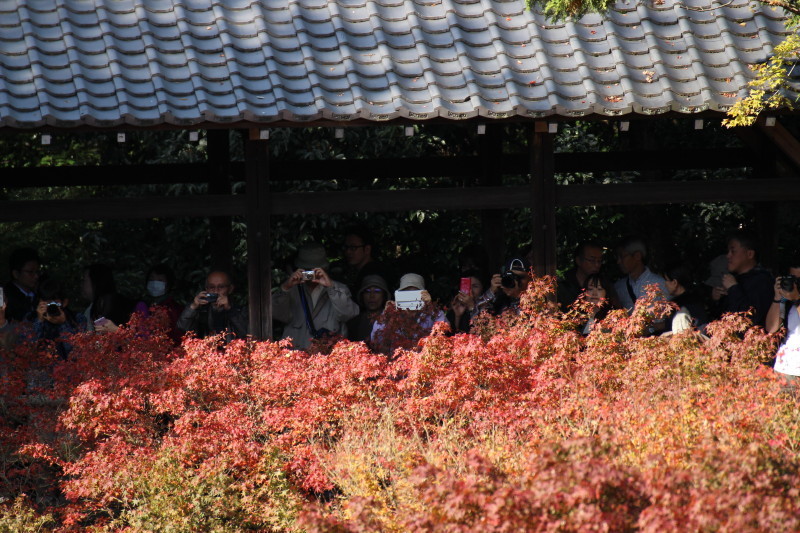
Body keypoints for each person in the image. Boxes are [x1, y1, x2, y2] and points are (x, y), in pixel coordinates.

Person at [273, 243, 359, 350]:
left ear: (324, 269)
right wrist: (286, 288)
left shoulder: (338, 289)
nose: (310, 274)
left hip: (329, 361)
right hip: (295, 360)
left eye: (314, 270)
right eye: (306, 269)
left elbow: (349, 314)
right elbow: (275, 314)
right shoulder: (292, 290)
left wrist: (331, 287)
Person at [370, 273, 447, 354]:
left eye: (415, 293)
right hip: (396, 364)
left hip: (425, 363)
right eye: (406, 293)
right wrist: (386, 316)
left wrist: (431, 307)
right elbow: (376, 341)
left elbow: (444, 333)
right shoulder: (393, 314)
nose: (411, 298)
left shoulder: (431, 314)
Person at [710, 232, 774, 328]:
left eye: (733, 251)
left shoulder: (762, 281)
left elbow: (752, 317)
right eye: (728, 251)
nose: (728, 256)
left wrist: (733, 288)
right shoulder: (734, 280)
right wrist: (717, 300)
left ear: (749, 254)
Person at [177, 270, 248, 341]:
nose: (216, 291)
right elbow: (182, 327)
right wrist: (193, 306)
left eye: (221, 287)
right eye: (211, 287)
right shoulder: (201, 310)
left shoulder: (240, 310)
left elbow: (245, 332)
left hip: (233, 351)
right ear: (206, 289)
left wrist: (230, 309)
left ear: (230, 289)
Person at [28, 279, 88, 359]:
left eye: (55, 303)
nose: (51, 306)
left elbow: (77, 353)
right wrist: (39, 321)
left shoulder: (77, 318)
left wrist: (63, 324)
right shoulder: (31, 318)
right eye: (48, 303)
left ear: (65, 302)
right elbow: (28, 350)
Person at [613, 236, 669, 313]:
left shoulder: (660, 283)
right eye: (617, 257)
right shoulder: (619, 287)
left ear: (637, 256)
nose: (618, 262)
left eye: (622, 257)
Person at [766, 262, 800, 386]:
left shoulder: (795, 300)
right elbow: (771, 328)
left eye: (798, 280)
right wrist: (778, 297)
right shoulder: (789, 301)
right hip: (784, 371)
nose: (795, 284)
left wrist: (797, 299)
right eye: (792, 279)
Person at [133, 264, 183, 342]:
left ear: (168, 284)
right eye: (151, 279)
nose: (155, 284)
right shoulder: (142, 305)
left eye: (160, 280)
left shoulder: (173, 309)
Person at [81, 264, 134, 333]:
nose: (81, 284)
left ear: (96, 281)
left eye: (84, 280)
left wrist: (116, 330)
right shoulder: (91, 309)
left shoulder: (122, 306)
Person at [557, 241, 605, 310]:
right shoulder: (564, 285)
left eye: (599, 261)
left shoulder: (604, 284)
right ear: (578, 260)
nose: (597, 265)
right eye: (591, 260)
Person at [662, 263, 708, 334]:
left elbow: (670, 329)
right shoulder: (697, 297)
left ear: (674, 282)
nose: (665, 284)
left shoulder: (676, 305)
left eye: (666, 280)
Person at [347, 274, 389, 342]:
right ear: (362, 296)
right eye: (367, 291)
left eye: (377, 291)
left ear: (384, 296)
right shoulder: (354, 323)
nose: (372, 296)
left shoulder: (393, 321)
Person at [3, 247, 41, 322]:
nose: (36, 276)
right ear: (16, 274)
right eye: (30, 272)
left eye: (37, 272)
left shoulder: (40, 294)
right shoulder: (6, 297)